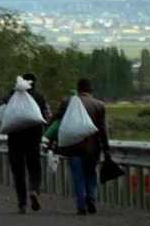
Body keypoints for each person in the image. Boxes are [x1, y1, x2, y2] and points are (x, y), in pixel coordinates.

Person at [0, 72, 52, 214]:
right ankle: (35, 190)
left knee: (18, 171)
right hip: (34, 138)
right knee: (34, 167)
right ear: (34, 84)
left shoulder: (12, 95)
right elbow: (47, 118)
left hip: (15, 139)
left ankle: (22, 204)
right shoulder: (40, 97)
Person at [51, 78, 111, 216]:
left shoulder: (68, 102)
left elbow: (55, 119)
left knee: (77, 177)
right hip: (92, 148)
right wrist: (106, 148)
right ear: (91, 90)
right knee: (90, 173)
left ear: (78, 89)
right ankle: (91, 198)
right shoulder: (99, 105)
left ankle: (81, 206)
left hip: (73, 147)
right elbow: (103, 129)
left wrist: (50, 135)